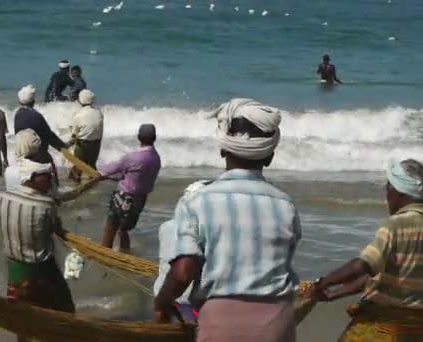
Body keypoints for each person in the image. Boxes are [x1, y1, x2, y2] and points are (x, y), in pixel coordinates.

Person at [154, 98, 301, 342]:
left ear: (222, 149)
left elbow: (183, 272)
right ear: (269, 157)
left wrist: (163, 300)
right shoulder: (286, 205)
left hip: (222, 324)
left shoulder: (197, 202)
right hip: (279, 321)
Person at [311, 159, 423, 341]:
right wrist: (334, 294)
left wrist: (325, 282)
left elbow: (364, 266)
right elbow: (377, 276)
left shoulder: (396, 224)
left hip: (387, 323)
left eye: (388, 188)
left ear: (397, 192)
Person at [0, 159, 75, 316]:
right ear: (32, 178)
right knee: (66, 309)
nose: (50, 180)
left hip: (15, 270)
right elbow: (56, 229)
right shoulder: (46, 204)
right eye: (46, 176)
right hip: (41, 270)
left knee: (21, 316)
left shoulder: (2, 197)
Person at [153, 180, 212, 322]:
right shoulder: (209, 230)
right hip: (192, 300)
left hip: (165, 293)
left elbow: (166, 263)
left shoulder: (166, 227)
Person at [97, 124, 161, 252]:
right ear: (155, 138)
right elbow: (133, 175)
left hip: (124, 197)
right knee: (123, 228)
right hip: (141, 199)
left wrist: (99, 173)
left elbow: (114, 168)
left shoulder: (133, 157)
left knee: (111, 226)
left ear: (138, 137)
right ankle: (125, 253)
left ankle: (104, 254)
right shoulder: (156, 158)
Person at [67, 89, 104, 183]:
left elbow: (74, 136)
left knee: (77, 167)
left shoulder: (78, 115)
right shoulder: (99, 112)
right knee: (91, 165)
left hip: (83, 144)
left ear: (80, 101)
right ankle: (93, 183)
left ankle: (74, 185)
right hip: (96, 143)